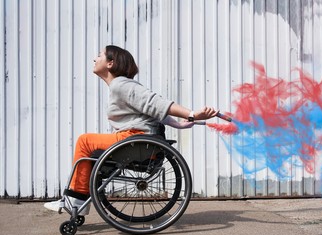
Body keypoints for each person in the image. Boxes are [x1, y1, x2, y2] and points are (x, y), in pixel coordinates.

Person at [44, 45, 218, 215]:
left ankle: (76, 199)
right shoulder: (120, 86)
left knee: (85, 141)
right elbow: (150, 111)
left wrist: (192, 114)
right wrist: (178, 124)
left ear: (110, 63)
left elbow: (156, 103)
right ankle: (77, 200)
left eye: (99, 55)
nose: (95, 58)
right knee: (88, 146)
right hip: (134, 139)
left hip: (135, 139)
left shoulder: (121, 85)